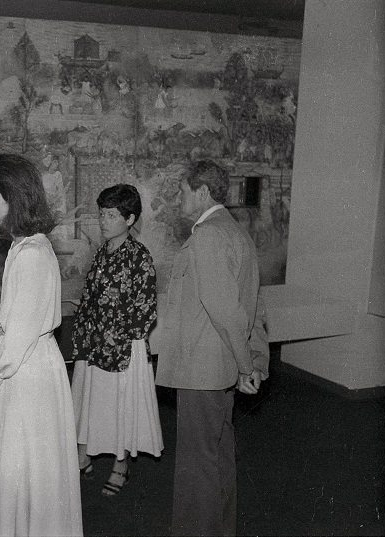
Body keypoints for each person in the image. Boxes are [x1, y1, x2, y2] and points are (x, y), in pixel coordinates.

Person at [155, 160, 267, 536]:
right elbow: (253, 307)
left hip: (203, 371)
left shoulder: (207, 236)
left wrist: (247, 367)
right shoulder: (235, 232)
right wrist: (251, 364)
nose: (179, 198)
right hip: (219, 370)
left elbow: (226, 311)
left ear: (202, 193)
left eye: (183, 191)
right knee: (218, 458)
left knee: (196, 466)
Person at [0, 154, 83, 537]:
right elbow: (6, 318)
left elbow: (19, 332)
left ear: (14, 197)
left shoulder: (33, 254)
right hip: (27, 364)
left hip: (28, 368)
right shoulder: (23, 249)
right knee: (23, 463)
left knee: (29, 462)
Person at [70, 183, 162, 496]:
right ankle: (83, 453)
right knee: (90, 401)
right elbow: (89, 298)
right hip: (94, 344)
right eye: (102, 214)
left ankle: (121, 464)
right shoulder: (102, 253)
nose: (104, 220)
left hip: (123, 347)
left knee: (121, 407)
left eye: (111, 215)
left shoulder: (139, 256)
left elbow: (146, 308)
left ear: (130, 218)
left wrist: (116, 334)